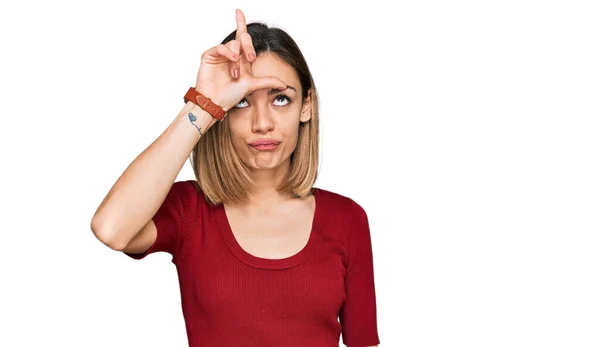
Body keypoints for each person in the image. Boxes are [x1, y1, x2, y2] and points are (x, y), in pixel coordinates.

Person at [91, 8, 380, 347]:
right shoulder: (189, 211)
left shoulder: (347, 219)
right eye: (242, 102)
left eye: (281, 99)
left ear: (306, 106)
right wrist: (202, 105)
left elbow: (363, 342)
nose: (262, 123)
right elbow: (112, 229)